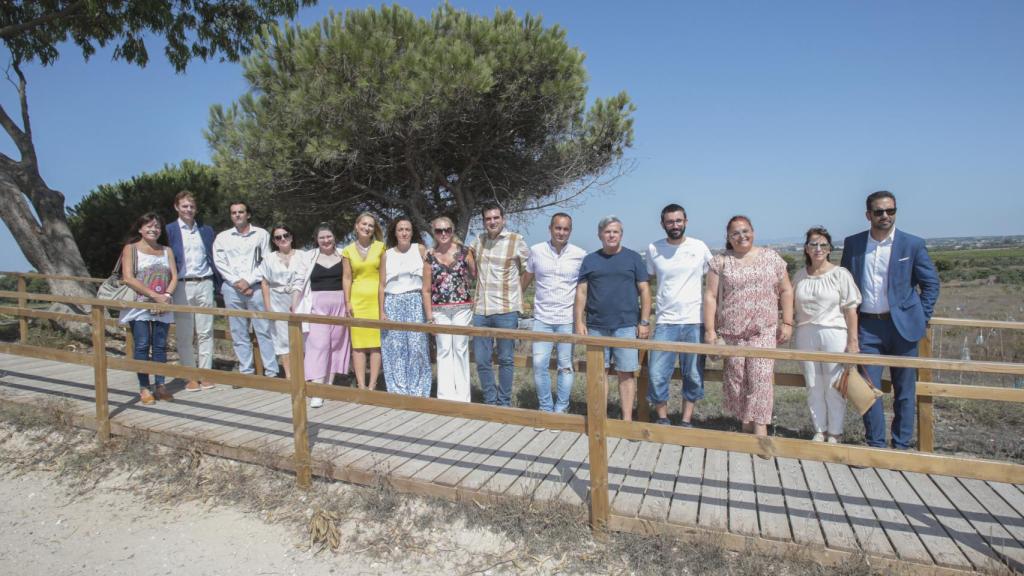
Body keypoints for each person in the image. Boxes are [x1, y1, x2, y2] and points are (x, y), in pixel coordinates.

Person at [840, 191, 940, 449]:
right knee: (867, 389)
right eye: (879, 211)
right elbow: (846, 286)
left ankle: (902, 446)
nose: (885, 216)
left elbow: (930, 283)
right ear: (868, 215)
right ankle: (876, 445)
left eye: (890, 211)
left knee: (905, 391)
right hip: (867, 328)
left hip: (903, 329)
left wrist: (921, 315)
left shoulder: (912, 244)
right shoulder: (853, 244)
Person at [704, 215, 793, 437]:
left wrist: (788, 322)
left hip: (764, 330)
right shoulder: (720, 261)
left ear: (753, 231)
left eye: (745, 231)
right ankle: (745, 421)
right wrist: (709, 331)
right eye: (736, 233)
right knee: (737, 380)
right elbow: (711, 296)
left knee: (760, 378)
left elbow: (786, 290)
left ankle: (760, 426)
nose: (741, 236)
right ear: (728, 237)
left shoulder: (771, 257)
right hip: (732, 332)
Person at [574, 216, 651, 421]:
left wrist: (644, 322)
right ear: (600, 235)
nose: (611, 235)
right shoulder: (590, 260)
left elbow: (644, 290)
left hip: (626, 326)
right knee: (599, 374)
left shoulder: (633, 258)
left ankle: (626, 420)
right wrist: (579, 322)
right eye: (607, 231)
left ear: (621, 235)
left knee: (626, 374)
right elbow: (581, 292)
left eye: (615, 232)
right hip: (596, 325)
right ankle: (601, 420)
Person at [645, 204, 713, 427]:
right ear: (663, 224)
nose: (674, 225)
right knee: (656, 374)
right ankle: (662, 418)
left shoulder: (699, 247)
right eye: (670, 221)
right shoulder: (654, 249)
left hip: (695, 320)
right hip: (665, 322)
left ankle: (686, 420)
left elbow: (714, 277)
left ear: (686, 221)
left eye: (678, 221)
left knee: (693, 373)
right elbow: (647, 281)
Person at [793, 226, 861, 443]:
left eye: (823, 244)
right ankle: (819, 429)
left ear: (830, 248)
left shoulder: (840, 274)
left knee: (834, 384)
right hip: (806, 333)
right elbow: (788, 304)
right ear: (806, 248)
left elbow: (851, 309)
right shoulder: (800, 277)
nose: (818, 249)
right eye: (814, 244)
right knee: (813, 384)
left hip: (834, 332)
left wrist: (853, 341)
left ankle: (836, 431)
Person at [521, 213, 586, 414]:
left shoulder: (580, 254)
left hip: (567, 319)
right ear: (550, 228)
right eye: (558, 228)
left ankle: (561, 409)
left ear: (570, 231)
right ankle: (546, 408)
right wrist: (518, 300)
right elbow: (527, 277)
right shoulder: (536, 250)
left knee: (565, 366)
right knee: (539, 365)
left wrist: (581, 318)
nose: (561, 232)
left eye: (566, 229)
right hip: (542, 319)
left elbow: (583, 289)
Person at [469, 203, 530, 407]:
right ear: (484, 221)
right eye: (488, 218)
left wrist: (518, 291)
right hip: (481, 311)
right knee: (482, 360)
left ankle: (504, 402)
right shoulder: (478, 241)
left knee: (506, 360)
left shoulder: (516, 241)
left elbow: (529, 269)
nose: (492, 221)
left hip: (506, 311)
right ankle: (490, 400)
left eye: (496, 217)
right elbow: (465, 254)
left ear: (503, 219)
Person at [213, 201, 279, 379]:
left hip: (256, 289)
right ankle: (246, 372)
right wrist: (238, 282)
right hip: (231, 289)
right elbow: (220, 263)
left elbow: (266, 261)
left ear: (248, 214)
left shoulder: (261, 234)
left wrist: (248, 282)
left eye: (241, 212)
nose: (237, 215)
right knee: (238, 331)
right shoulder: (222, 237)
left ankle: (271, 372)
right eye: (233, 212)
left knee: (264, 330)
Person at [120, 212, 178, 405]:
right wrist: (154, 296)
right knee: (143, 345)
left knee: (160, 346)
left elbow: (174, 276)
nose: (153, 229)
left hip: (163, 303)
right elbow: (128, 277)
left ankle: (160, 385)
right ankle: (144, 387)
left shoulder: (166, 250)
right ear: (140, 228)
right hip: (140, 304)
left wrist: (166, 296)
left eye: (157, 227)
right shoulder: (131, 249)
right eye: (149, 226)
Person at [164, 190, 219, 392]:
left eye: (192, 206)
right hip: (181, 285)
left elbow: (213, 256)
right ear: (177, 207)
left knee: (206, 331)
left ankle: (205, 374)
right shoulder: (169, 230)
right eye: (185, 206)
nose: (188, 210)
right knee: (185, 333)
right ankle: (190, 376)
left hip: (205, 283)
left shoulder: (206, 230)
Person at [295, 224, 350, 408]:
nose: (326, 241)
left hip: (340, 305)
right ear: (316, 240)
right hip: (316, 305)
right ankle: (317, 390)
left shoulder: (344, 255)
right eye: (322, 238)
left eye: (329, 237)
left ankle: (328, 387)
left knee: (335, 345)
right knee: (318, 345)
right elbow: (299, 280)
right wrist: (294, 305)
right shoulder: (309, 256)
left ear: (335, 237)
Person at [379, 217, 432, 397]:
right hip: (392, 301)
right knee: (395, 347)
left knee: (417, 346)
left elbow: (427, 280)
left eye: (407, 229)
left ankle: (418, 390)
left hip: (415, 301)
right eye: (400, 229)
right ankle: (398, 390)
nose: (404, 233)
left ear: (412, 232)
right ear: (395, 232)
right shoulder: (387, 254)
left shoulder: (420, 249)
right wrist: (382, 311)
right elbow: (381, 285)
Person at [426, 216, 476, 402]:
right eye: (439, 230)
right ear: (434, 233)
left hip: (462, 307)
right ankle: (445, 396)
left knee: (461, 349)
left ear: (453, 230)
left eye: (447, 229)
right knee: (444, 350)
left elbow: (476, 275)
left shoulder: (465, 252)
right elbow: (425, 289)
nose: (444, 233)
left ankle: (463, 397)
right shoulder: (429, 257)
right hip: (439, 310)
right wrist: (430, 316)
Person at [341, 212, 385, 390]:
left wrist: (383, 307)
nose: (367, 228)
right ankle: (361, 385)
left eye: (371, 225)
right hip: (357, 301)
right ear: (357, 225)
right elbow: (346, 278)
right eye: (364, 224)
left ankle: (372, 385)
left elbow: (383, 280)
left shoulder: (381, 247)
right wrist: (347, 302)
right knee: (358, 346)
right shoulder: (348, 250)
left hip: (376, 301)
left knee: (376, 346)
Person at [259, 224, 306, 378]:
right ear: (274, 241)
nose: (283, 239)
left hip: (298, 299)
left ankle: (303, 374)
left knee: (302, 336)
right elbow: (264, 283)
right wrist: (268, 307)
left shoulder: (303, 255)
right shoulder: (269, 258)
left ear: (291, 236)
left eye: (286, 235)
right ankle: (290, 376)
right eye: (278, 237)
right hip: (277, 299)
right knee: (282, 340)